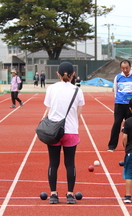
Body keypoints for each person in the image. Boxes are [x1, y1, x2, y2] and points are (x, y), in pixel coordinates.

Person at [43, 61, 85, 204]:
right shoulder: (77, 90)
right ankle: (70, 194)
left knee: (53, 163)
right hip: (71, 131)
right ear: (73, 74)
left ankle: (53, 194)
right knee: (70, 164)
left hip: (54, 131)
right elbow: (78, 113)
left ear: (58, 74)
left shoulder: (51, 89)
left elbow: (48, 109)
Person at [107, 59, 132, 152]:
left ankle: (131, 145)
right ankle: (112, 146)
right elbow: (116, 90)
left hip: (131, 105)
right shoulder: (118, 77)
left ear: (130, 67)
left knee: (131, 125)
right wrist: (118, 100)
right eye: (123, 68)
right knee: (116, 124)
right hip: (119, 104)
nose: (125, 70)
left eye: (127, 68)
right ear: (120, 68)